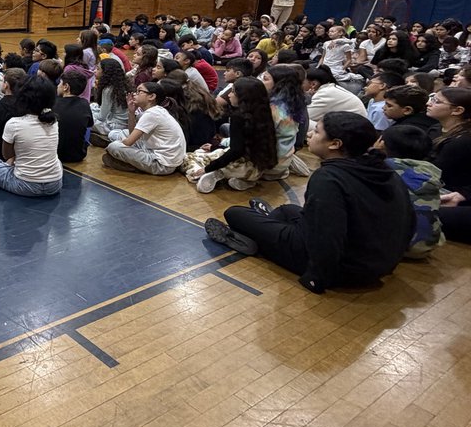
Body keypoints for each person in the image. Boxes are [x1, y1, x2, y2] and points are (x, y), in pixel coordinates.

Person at [206, 112, 413, 294]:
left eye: (317, 132)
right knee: (287, 210)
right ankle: (267, 227)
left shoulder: (329, 178)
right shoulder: (384, 170)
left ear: (335, 144)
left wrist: (316, 278)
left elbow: (329, 234)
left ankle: (255, 239)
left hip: (340, 269)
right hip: (377, 264)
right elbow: (409, 219)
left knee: (235, 214)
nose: (310, 134)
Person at [0, 74, 63, 197]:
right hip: (55, 184)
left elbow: (7, 155)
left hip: (25, 185)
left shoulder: (14, 123)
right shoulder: (53, 121)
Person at [187, 78, 279, 193]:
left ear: (243, 97)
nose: (229, 95)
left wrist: (208, 168)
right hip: (259, 165)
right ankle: (244, 178)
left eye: (233, 92)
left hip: (240, 162)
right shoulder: (264, 111)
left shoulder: (239, 117)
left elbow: (236, 150)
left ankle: (214, 173)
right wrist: (216, 147)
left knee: (192, 157)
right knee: (216, 152)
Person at [375, 124, 444, 259]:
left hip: (394, 248)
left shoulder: (382, 169)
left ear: (381, 144)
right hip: (427, 245)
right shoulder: (429, 171)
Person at [102, 81, 187, 175]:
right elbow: (131, 134)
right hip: (165, 157)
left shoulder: (152, 114)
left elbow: (128, 142)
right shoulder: (155, 111)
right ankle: (126, 161)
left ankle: (132, 166)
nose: (134, 94)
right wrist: (131, 112)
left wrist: (116, 146)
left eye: (139, 91)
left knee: (114, 146)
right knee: (120, 136)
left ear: (152, 96)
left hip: (162, 165)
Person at [430, 88, 471, 243]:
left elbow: (436, 172)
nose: (429, 103)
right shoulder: (435, 128)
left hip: (450, 192)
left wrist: (464, 194)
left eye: (436, 101)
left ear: (458, 110)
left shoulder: (464, 140)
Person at [91, 58, 132, 145]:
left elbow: (101, 117)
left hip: (113, 125)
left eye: (98, 69)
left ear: (105, 73)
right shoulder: (123, 84)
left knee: (85, 117)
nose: (95, 71)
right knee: (92, 106)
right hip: (124, 124)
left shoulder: (108, 90)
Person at [54, 71, 92, 163]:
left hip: (54, 154)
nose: (58, 86)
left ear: (66, 87)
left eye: (60, 83)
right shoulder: (85, 104)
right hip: (77, 155)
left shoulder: (53, 103)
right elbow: (89, 124)